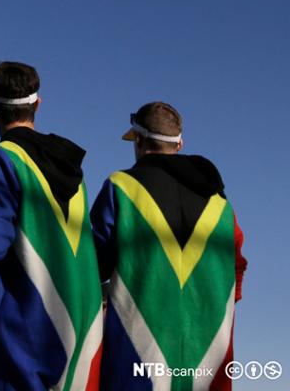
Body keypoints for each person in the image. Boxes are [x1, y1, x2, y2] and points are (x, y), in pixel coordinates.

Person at [0, 62, 102, 391]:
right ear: (38, 104)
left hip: (23, 329)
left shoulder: (0, 160)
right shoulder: (75, 173)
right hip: (79, 327)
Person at [90, 102, 247, 390]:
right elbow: (237, 273)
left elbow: (93, 267)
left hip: (137, 353)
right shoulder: (221, 205)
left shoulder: (121, 187)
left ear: (138, 141)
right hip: (208, 356)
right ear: (180, 144)